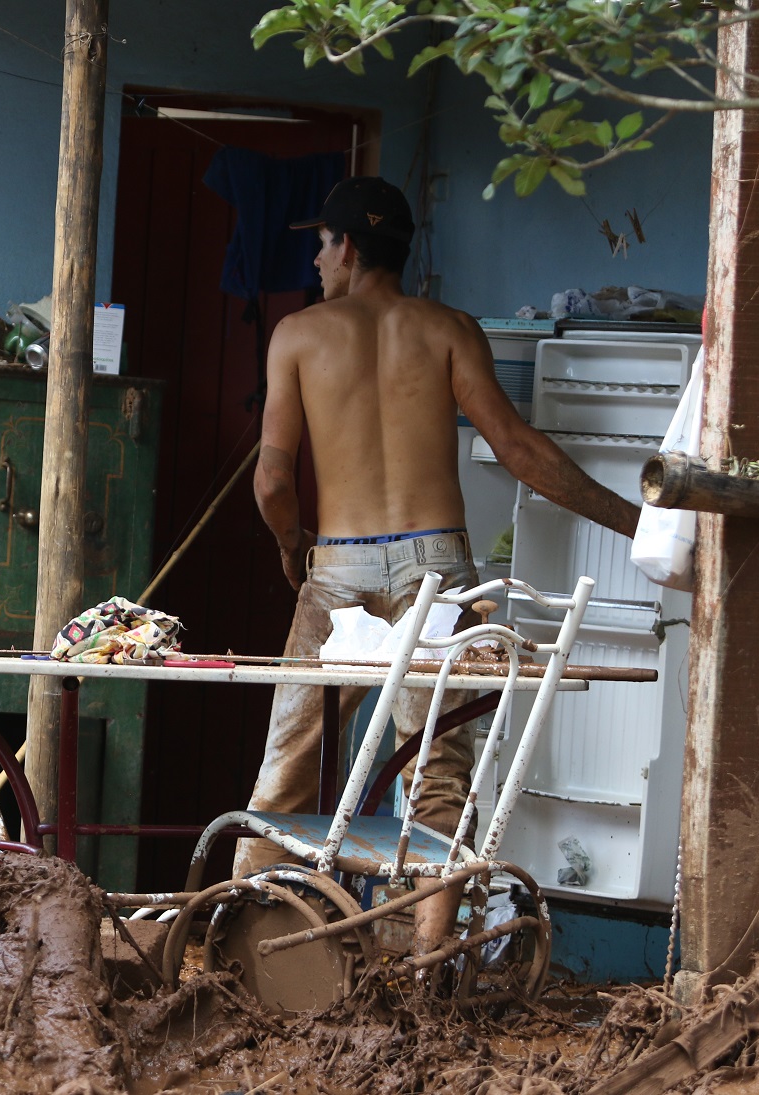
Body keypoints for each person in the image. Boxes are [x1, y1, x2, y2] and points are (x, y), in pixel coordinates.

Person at [237, 176, 639, 953]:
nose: (319, 260)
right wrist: (634, 519)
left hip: (339, 573)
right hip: (438, 573)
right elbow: (520, 451)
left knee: (287, 765)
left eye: (322, 243)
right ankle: (427, 967)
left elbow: (273, 479)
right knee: (437, 774)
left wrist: (293, 545)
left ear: (348, 246)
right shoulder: (451, 328)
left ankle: (238, 944)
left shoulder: (298, 333)